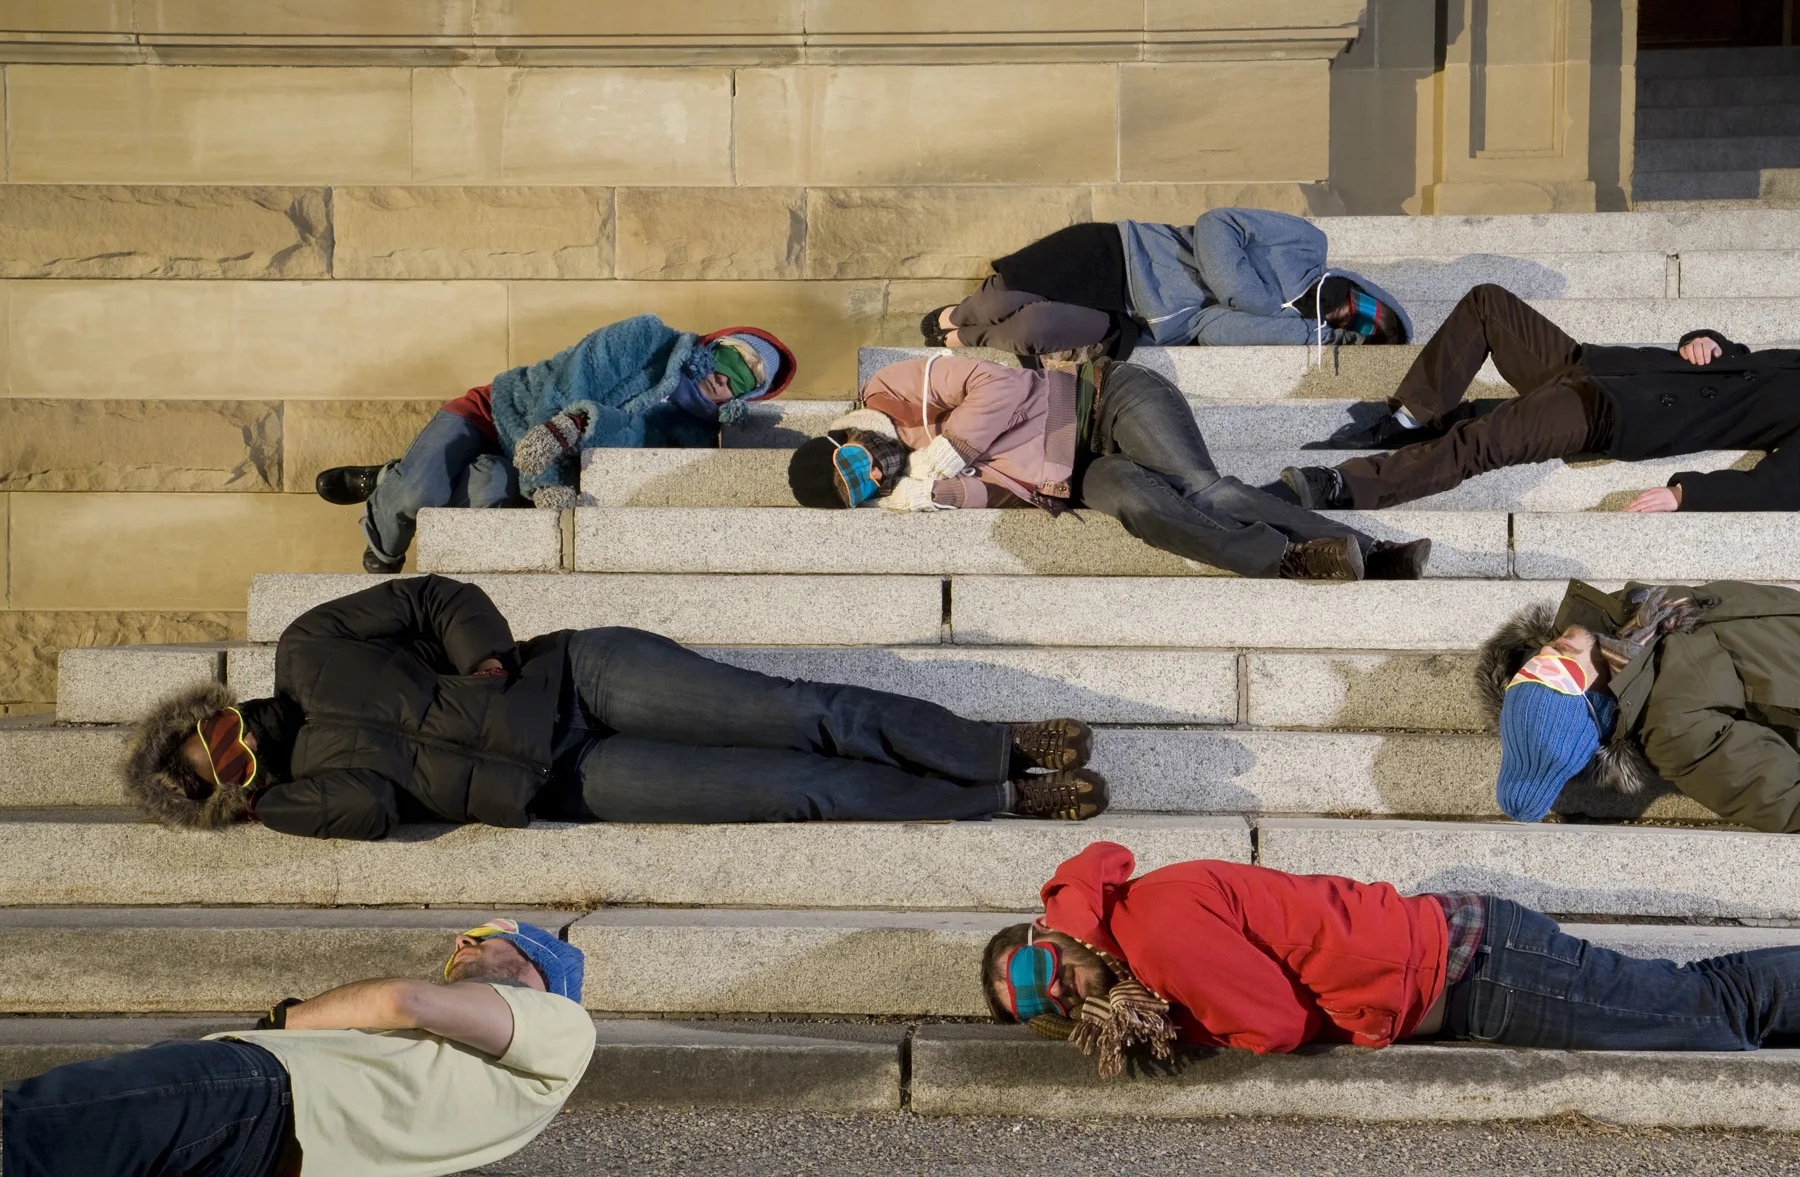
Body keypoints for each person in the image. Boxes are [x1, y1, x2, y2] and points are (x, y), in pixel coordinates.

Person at [121, 575, 1109, 837]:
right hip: (569, 781)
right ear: (235, 798)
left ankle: (995, 745)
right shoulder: (311, 795)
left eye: (219, 733)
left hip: (577, 678)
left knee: (794, 707)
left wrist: (490, 665)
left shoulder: (306, 650)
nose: (244, 746)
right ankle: (1003, 801)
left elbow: (436, 599)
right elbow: (374, 812)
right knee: (793, 789)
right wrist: (276, 807)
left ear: (213, 707)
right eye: (233, 772)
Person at [982, 841, 1800, 1079]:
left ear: (1043, 931)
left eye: (1035, 970)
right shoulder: (1133, 926)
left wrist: (1177, 1024)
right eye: (1032, 1007)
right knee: (1703, 1003)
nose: (1053, 994)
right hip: (1465, 960)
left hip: (1476, 972)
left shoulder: (1151, 934)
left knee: (1711, 1010)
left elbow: (1272, 1024)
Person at [3, 917, 595, 1176]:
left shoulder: (562, 1023)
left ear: (542, 970)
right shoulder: (514, 1093)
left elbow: (405, 1002)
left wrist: (283, 1020)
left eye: (489, 937)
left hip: (254, 1093)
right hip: (273, 1152)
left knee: (28, 1132)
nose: (461, 939)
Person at [784, 354, 1433, 581]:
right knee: (1141, 506)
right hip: (1077, 473)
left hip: (1106, 398)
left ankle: (1374, 555)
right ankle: (1290, 560)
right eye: (861, 489)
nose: (871, 471)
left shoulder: (893, 389)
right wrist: (934, 495)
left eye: (852, 463)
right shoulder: (914, 481)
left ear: (844, 436)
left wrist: (943, 451)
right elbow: (1000, 496)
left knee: (1202, 487)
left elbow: (1000, 385)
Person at [314, 315, 797, 573]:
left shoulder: (690, 435)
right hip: (499, 413)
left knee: (481, 497)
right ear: (714, 345)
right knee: (417, 492)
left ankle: (391, 476)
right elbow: (562, 391)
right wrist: (544, 473)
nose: (725, 379)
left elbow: (622, 457)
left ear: (748, 396)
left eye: (746, 380)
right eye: (733, 358)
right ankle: (385, 530)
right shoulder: (645, 337)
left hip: (519, 467)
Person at [1282, 283, 1800, 512]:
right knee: (1488, 304)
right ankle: (1412, 416)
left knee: (1483, 441)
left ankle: (1345, 485)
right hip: (1600, 366)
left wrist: (1688, 496)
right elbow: (1743, 360)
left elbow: (1779, 488)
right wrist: (1709, 339)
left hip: (1615, 413)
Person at [1476, 578, 1800, 833]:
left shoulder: (1625, 623)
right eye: (1555, 673)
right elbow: (1784, 800)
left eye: (1528, 669)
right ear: (1595, 706)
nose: (1546, 654)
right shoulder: (1677, 733)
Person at [919, 209, 1410, 359]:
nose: (1349, 311)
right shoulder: (1307, 242)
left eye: (1359, 325)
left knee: (1032, 329)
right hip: (1121, 251)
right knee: (1006, 293)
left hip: (1131, 320)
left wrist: (1306, 334)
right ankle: (957, 316)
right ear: (1361, 289)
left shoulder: (1291, 324)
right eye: (1362, 306)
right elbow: (1219, 224)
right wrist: (1255, 299)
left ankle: (968, 337)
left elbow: (1214, 328)